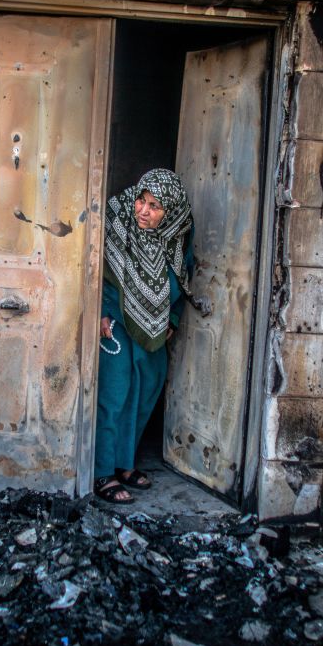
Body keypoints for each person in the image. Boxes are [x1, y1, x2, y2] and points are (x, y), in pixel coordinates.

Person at [94, 168, 208, 504]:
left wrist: (173, 316)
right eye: (142, 201)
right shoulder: (118, 218)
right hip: (115, 321)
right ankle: (102, 471)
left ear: (169, 210)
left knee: (145, 392)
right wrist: (100, 310)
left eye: (154, 206)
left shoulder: (179, 230)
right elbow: (94, 266)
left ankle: (124, 465)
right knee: (114, 395)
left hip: (155, 326)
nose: (143, 210)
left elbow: (184, 273)